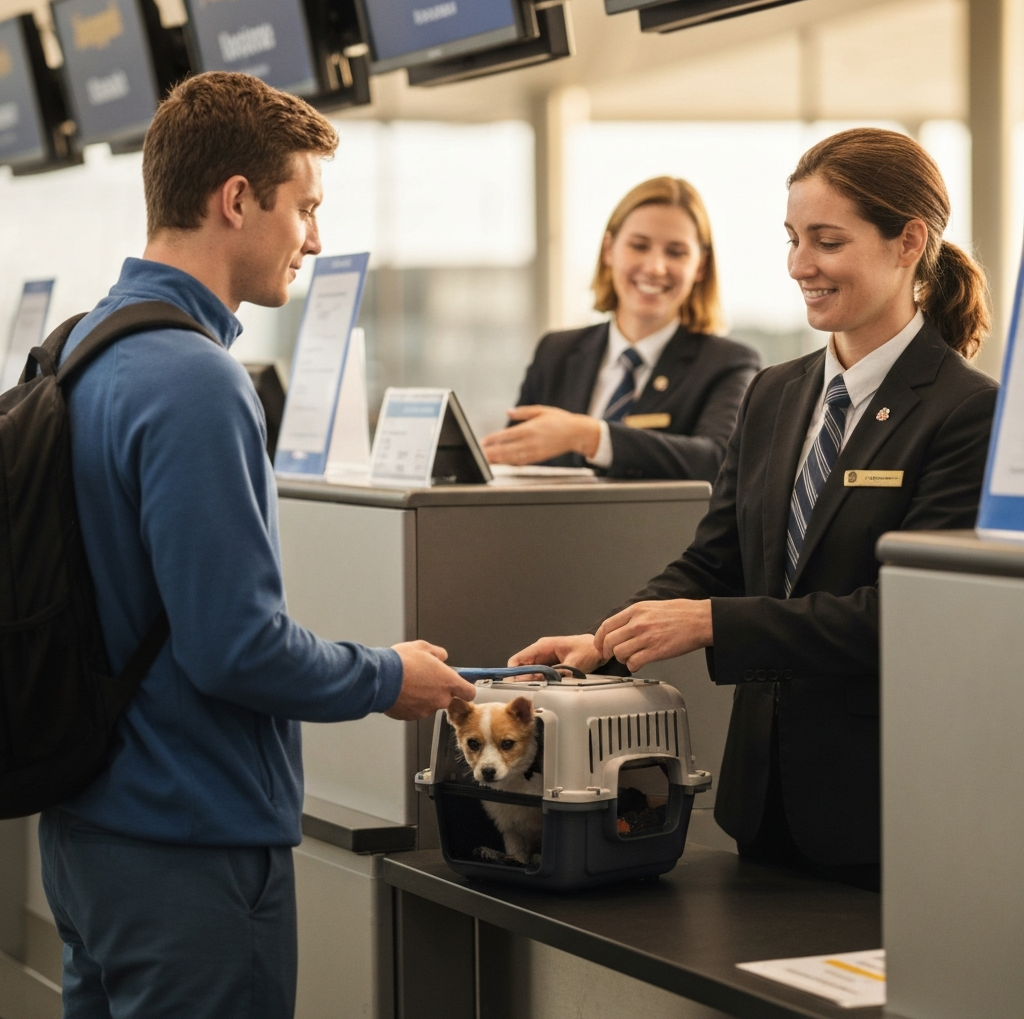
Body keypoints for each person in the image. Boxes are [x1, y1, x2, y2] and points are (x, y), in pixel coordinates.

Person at [38, 72, 476, 1019]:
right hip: (189, 848)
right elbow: (234, 646)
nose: (314, 239)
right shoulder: (194, 379)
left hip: (87, 838)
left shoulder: (86, 350)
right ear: (236, 200)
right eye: (305, 207)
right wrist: (383, 675)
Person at [509, 129, 998, 891]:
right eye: (793, 239)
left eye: (828, 241)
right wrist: (605, 641)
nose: (801, 264)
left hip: (882, 809)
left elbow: (907, 616)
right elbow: (716, 559)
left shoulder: (967, 412)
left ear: (909, 242)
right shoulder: (777, 392)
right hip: (760, 799)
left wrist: (714, 622)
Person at [481, 176, 761, 481]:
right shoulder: (556, 352)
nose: (655, 267)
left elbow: (717, 460)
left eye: (676, 252)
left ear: (701, 266)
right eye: (639, 246)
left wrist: (589, 436)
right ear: (609, 250)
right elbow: (512, 459)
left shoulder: (728, 363)